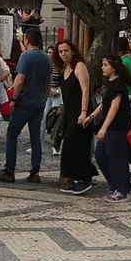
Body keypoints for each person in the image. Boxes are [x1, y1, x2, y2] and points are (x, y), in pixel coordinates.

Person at [0, 31, 51, 184]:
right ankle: (34, 171)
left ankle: (9, 170)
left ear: (27, 40)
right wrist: (44, 96)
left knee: (12, 134)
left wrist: (14, 99)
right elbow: (49, 80)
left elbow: (19, 81)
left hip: (24, 102)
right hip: (39, 102)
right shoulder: (46, 58)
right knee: (35, 138)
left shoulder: (26, 57)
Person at [87, 53, 131, 202]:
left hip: (117, 126)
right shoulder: (109, 83)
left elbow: (114, 107)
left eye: (105, 65)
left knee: (116, 157)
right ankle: (114, 184)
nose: (102, 68)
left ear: (114, 68)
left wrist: (104, 128)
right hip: (109, 126)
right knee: (100, 154)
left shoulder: (119, 84)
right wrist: (91, 117)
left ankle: (121, 189)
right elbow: (104, 104)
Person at [56, 40, 97, 194]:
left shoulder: (79, 66)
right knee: (69, 146)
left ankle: (84, 178)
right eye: (60, 51)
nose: (63, 54)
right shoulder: (63, 69)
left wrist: (84, 111)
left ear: (73, 51)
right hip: (69, 112)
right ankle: (73, 177)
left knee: (78, 145)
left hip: (80, 112)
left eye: (66, 50)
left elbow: (85, 90)